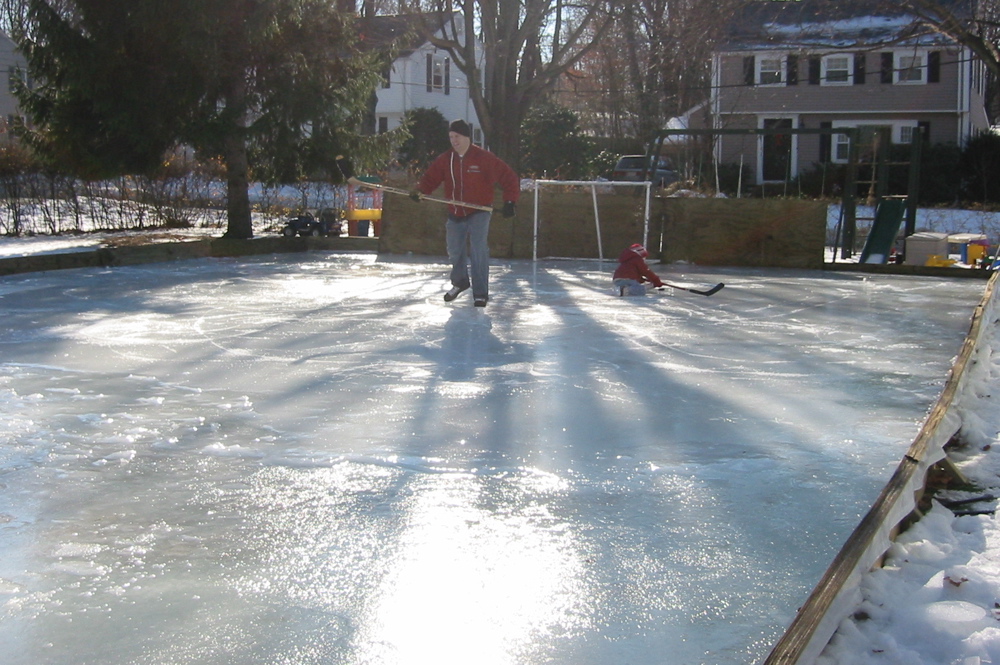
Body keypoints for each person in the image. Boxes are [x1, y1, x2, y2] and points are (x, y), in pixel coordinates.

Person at [410, 119, 520, 308]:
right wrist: (420, 190)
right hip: (455, 211)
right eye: (451, 137)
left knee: (478, 250)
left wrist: (510, 201)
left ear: (467, 137)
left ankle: (480, 293)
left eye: (457, 136)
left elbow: (509, 177)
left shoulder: (484, 158)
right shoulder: (446, 159)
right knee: (454, 250)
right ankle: (460, 282)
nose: (454, 140)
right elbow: (431, 178)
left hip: (479, 211)